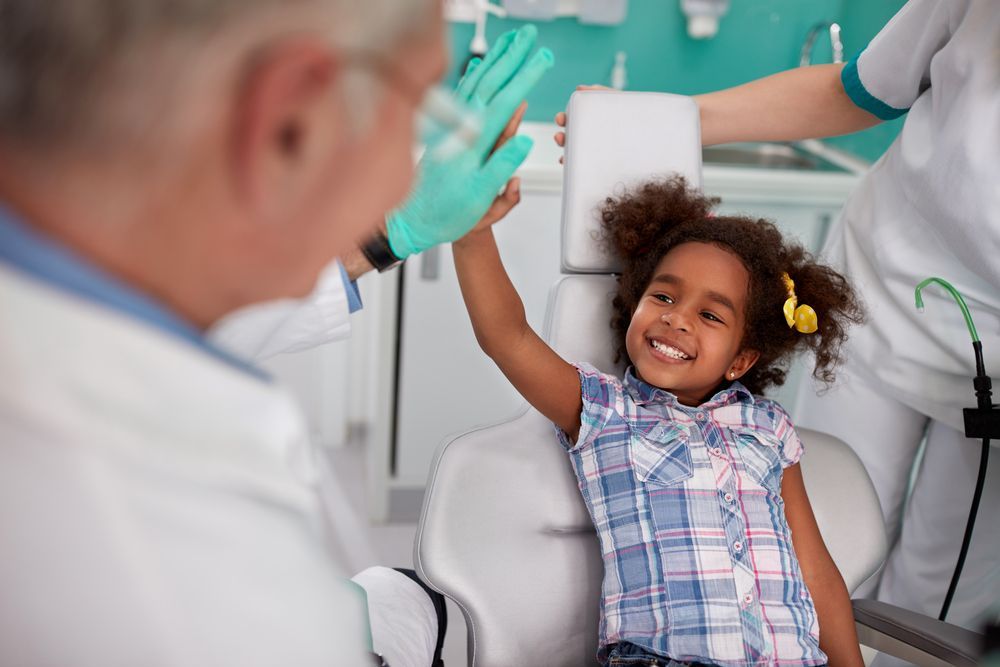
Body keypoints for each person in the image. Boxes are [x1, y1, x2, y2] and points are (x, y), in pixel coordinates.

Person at [0, 0, 552, 664]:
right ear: (290, 126)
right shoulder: (189, 608)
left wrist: (390, 235)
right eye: (416, 113)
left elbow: (211, 323)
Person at [556, 0, 1000, 635]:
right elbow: (855, 91)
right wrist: (651, 123)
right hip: (876, 305)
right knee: (833, 539)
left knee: (940, 592)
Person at [452, 174, 866, 666]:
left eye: (711, 316)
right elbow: (507, 337)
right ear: (634, 303)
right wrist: (471, 229)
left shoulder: (768, 429)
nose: (678, 318)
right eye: (664, 298)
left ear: (741, 361)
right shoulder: (604, 410)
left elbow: (815, 571)